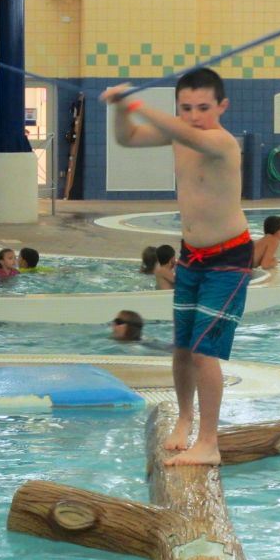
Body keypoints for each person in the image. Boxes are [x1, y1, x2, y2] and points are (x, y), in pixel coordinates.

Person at [102, 68, 253, 467]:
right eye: (185, 108)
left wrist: (135, 102)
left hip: (229, 260)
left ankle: (209, 442)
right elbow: (127, 138)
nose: (193, 115)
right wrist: (120, 109)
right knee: (183, 349)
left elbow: (189, 135)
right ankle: (184, 419)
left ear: (222, 107)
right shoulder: (180, 134)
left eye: (203, 107)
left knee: (205, 354)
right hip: (193, 256)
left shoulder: (220, 142)